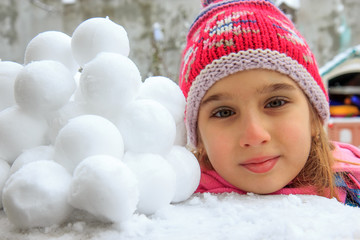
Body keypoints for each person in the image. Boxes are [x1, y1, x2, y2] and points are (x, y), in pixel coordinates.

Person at [178, 0, 360, 207]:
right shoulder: (170, 203)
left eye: (275, 103)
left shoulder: (353, 187)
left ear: (313, 115)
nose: (254, 136)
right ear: (199, 137)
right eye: (223, 113)